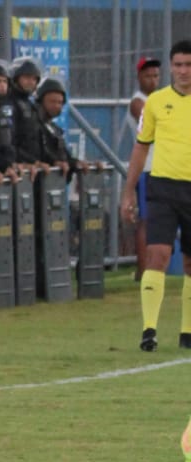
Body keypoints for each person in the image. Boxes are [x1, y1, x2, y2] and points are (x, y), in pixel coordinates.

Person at [121, 40, 191, 352]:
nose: (183, 71)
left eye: (188, 65)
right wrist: (128, 191)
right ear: (171, 67)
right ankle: (149, 330)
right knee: (158, 254)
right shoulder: (156, 102)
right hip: (162, 187)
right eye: (178, 65)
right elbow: (141, 146)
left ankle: (187, 331)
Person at [128, 57, 162, 282]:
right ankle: (142, 271)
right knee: (146, 221)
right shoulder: (138, 102)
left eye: (156, 76)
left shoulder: (161, 100)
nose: (153, 80)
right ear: (139, 77)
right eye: (148, 76)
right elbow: (154, 122)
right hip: (148, 169)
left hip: (168, 167)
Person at [8, 56, 44, 173]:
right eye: (27, 78)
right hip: (19, 167)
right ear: (16, 79)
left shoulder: (30, 105)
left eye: (34, 79)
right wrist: (25, 160)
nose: (31, 82)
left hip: (33, 166)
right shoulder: (10, 103)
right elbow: (9, 139)